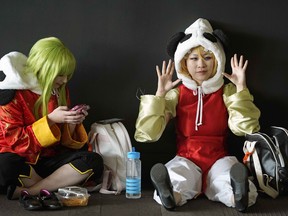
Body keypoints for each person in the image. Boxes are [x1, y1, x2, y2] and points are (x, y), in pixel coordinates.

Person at [134, 18, 261, 212]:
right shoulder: (178, 93)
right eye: (194, 58)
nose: (201, 64)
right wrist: (160, 95)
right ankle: (170, 195)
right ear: (184, 62)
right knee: (177, 176)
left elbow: (244, 128)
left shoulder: (226, 91)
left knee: (225, 178)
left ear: (217, 60)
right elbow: (148, 133)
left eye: (208, 57)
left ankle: (238, 196)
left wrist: (240, 88)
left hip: (219, 156)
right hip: (186, 157)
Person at [0, 37, 104, 205]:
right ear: (43, 68)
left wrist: (71, 123)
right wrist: (50, 120)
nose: (64, 81)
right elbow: (15, 141)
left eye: (67, 75)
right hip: (22, 161)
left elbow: (63, 145)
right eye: (60, 75)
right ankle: (56, 185)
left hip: (49, 161)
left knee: (93, 160)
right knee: (4, 163)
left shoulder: (59, 90)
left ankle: (32, 191)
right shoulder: (11, 94)